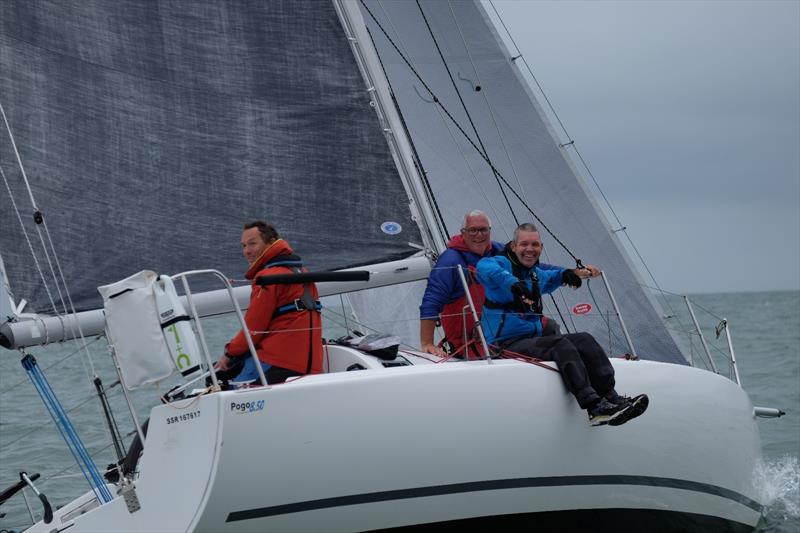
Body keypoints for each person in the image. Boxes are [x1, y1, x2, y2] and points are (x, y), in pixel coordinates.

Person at [476, 222, 648, 427]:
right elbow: (485, 268)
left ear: (541, 247)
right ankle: (594, 407)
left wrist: (569, 274)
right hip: (504, 343)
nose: (529, 249)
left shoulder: (533, 273)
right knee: (559, 344)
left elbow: (551, 276)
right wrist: (512, 283)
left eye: (535, 245)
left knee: (584, 339)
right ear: (513, 246)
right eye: (524, 244)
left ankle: (611, 397)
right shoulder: (500, 264)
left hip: (531, 339)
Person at [419, 210, 559, 358]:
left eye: (483, 230)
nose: (479, 235)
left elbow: (533, 268)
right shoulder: (450, 260)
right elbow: (432, 300)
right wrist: (427, 343)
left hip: (506, 326)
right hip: (470, 341)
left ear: (489, 231)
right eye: (473, 230)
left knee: (550, 327)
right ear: (463, 233)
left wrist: (569, 273)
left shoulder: (497, 251)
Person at [216, 221, 322, 385]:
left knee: (222, 386)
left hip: (277, 362)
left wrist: (228, 354)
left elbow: (253, 329)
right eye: (243, 246)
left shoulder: (268, 278)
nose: (247, 251)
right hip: (312, 366)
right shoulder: (304, 273)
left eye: (252, 244)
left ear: (271, 243)